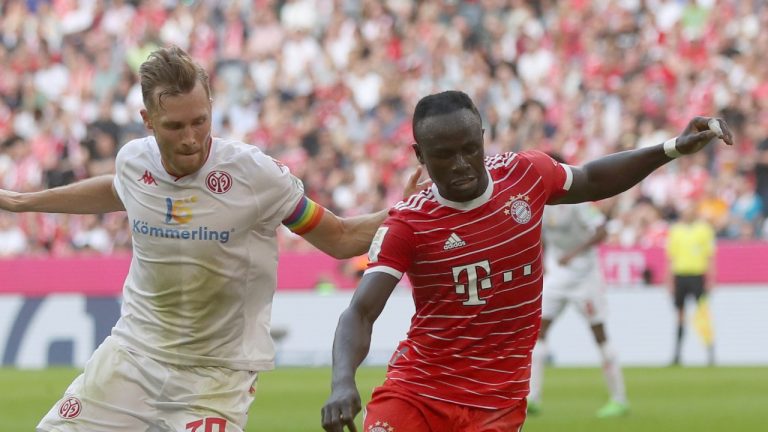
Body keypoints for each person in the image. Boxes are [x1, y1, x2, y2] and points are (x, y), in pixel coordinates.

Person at [0, 46, 420, 432]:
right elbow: (116, 190)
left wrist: (409, 210)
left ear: (212, 109)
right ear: (148, 120)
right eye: (174, 126)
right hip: (132, 356)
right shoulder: (133, 161)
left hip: (216, 376)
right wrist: (22, 202)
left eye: (199, 121)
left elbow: (341, 238)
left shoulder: (254, 175)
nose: (190, 138)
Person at [320, 90, 732, 432]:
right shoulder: (408, 223)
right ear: (419, 155)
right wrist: (342, 382)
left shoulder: (525, 175)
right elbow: (360, 311)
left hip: (498, 405)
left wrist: (671, 148)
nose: (461, 164)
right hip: (417, 396)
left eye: (470, 149)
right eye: (444, 155)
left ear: (483, 138)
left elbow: (592, 179)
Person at [527, 163, 628, 417]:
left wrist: (572, 254)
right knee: (538, 332)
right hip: (558, 276)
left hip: (585, 276)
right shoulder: (540, 203)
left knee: (599, 334)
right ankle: (532, 397)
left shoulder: (578, 203)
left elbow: (602, 231)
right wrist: (543, 260)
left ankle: (619, 399)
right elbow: (539, 235)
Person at [666, 202, 717, 366]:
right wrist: (669, 281)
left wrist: (711, 278)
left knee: (703, 314)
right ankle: (677, 355)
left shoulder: (704, 229)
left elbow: (710, 256)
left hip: (698, 275)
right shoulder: (675, 230)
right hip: (680, 275)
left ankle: (710, 353)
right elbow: (671, 257)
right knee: (680, 315)